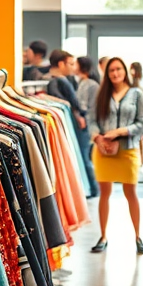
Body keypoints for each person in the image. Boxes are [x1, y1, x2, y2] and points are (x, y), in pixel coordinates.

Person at [89, 57, 143, 254]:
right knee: (104, 193)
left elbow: (142, 124)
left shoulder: (136, 94)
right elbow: (93, 121)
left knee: (131, 193)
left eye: (118, 69)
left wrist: (120, 131)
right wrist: (98, 138)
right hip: (103, 151)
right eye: (111, 70)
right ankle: (103, 236)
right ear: (107, 74)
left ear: (125, 71)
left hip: (128, 150)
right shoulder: (101, 94)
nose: (115, 73)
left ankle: (138, 236)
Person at [46, 50, 98, 197]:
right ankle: (91, 189)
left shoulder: (65, 81)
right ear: (61, 64)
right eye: (70, 63)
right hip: (76, 123)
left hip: (78, 124)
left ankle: (91, 189)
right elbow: (72, 103)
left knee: (83, 155)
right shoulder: (60, 81)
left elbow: (71, 103)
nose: (73, 67)